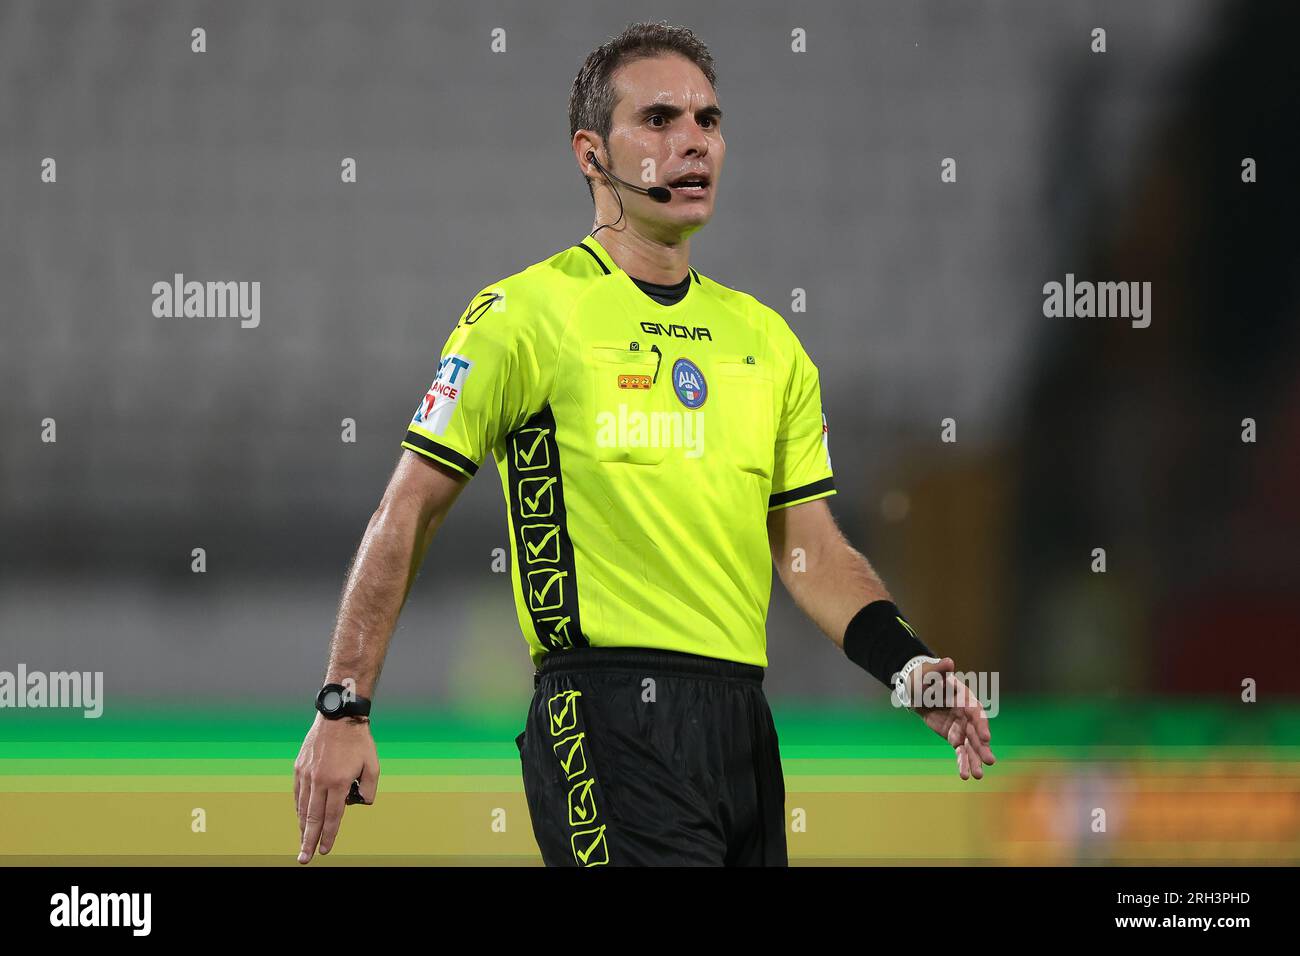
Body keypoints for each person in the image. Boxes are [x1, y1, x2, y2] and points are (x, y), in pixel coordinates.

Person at [294, 20, 995, 867]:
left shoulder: (767, 342)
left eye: (708, 120)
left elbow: (808, 549)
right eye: (660, 119)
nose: (693, 142)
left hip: (741, 728)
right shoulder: (525, 317)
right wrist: (344, 708)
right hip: (604, 715)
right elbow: (406, 510)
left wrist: (907, 665)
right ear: (592, 154)